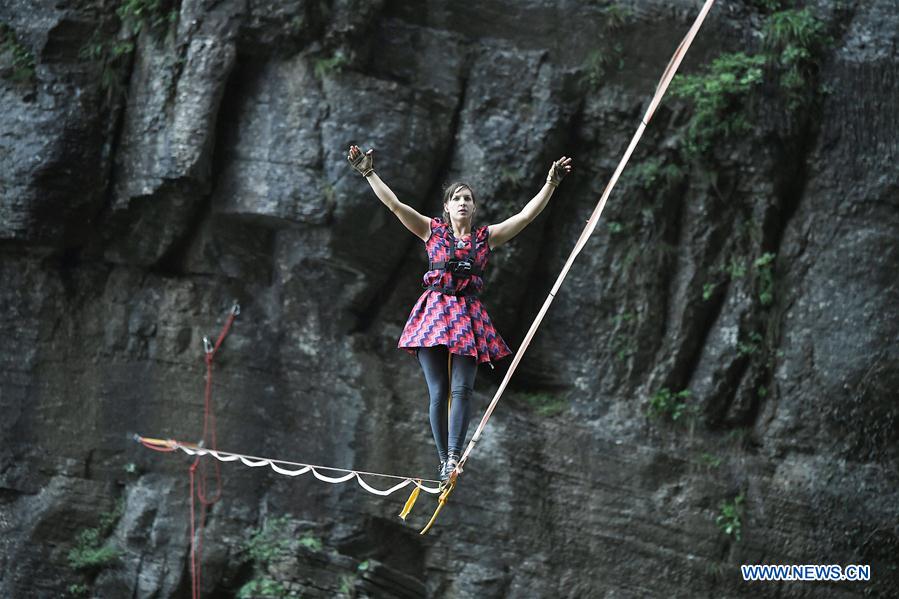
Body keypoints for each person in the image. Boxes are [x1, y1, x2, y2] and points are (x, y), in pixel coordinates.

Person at [347, 144, 572, 484]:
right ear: (447, 207)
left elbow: (525, 217)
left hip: (468, 315)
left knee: (462, 389)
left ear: (474, 207)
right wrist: (368, 172)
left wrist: (550, 184)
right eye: (457, 198)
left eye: (468, 198)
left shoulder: (486, 239)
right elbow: (394, 205)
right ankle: (444, 460)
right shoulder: (431, 231)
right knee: (439, 390)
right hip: (435, 312)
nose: (463, 203)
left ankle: (454, 455)